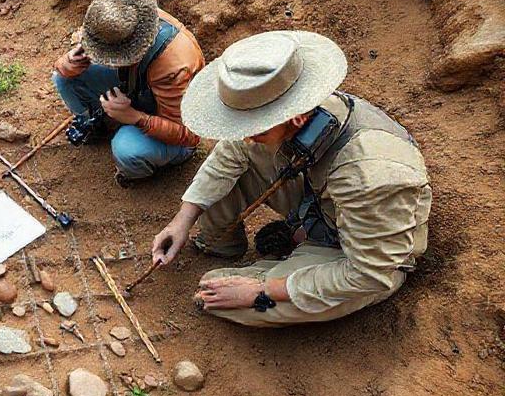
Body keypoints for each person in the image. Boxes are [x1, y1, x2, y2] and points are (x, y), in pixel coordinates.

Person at [150, 30, 431, 327]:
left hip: (360, 256)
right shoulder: (297, 111)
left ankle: (285, 265)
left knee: (215, 292)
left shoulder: (371, 176)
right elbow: (229, 155)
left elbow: (369, 273)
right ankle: (230, 246)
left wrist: (261, 289)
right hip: (322, 204)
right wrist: (181, 221)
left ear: (295, 116)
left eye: (255, 128)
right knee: (241, 159)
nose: (246, 136)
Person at [52, 0, 205, 186]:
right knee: (63, 77)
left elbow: (190, 135)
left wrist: (134, 117)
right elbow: (64, 70)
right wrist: (70, 64)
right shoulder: (120, 23)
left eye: (107, 55)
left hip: (175, 129)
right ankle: (96, 125)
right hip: (138, 86)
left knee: (125, 148)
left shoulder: (174, 69)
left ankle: (142, 168)